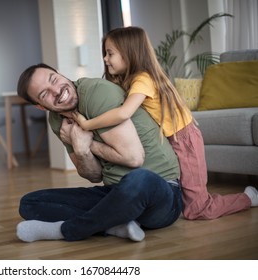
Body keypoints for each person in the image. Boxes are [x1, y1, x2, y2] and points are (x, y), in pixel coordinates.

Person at [71, 26, 258, 220]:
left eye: (110, 53)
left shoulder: (142, 79)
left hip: (185, 139)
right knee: (183, 200)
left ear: (129, 53)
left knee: (197, 209)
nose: (105, 59)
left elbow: (124, 112)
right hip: (171, 139)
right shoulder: (131, 80)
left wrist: (87, 125)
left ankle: (247, 198)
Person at [15, 63, 183, 242]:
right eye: (44, 94)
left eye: (54, 80)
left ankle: (67, 230)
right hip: (114, 194)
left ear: (61, 74)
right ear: (40, 106)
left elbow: (134, 158)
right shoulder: (58, 121)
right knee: (30, 203)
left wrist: (87, 143)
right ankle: (114, 225)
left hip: (160, 194)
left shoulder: (97, 92)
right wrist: (81, 150)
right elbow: (94, 176)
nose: (56, 91)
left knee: (139, 179)